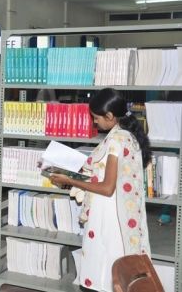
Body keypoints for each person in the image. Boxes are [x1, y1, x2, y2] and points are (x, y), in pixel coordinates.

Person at [49, 88, 151, 292]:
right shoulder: (126, 136)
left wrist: (71, 180)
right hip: (116, 215)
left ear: (110, 116)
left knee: (104, 270)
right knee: (113, 271)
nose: (94, 122)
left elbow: (106, 187)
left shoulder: (115, 140)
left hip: (109, 218)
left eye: (96, 118)